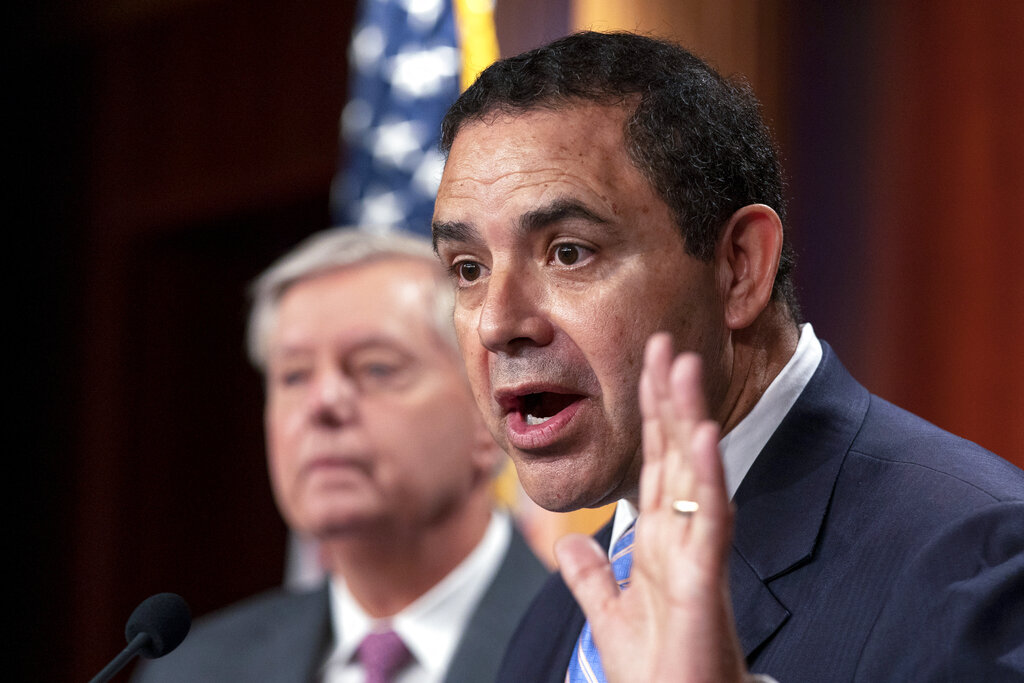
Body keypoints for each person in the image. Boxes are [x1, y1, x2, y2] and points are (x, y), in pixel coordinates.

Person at [430, 31, 1024, 682]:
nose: (497, 323)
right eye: (468, 268)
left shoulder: (975, 561)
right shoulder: (556, 620)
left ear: (739, 267)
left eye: (569, 253)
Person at [133, 227, 549, 682]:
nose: (323, 402)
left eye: (376, 368)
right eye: (294, 376)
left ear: (487, 417)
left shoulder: (587, 647)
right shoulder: (191, 670)